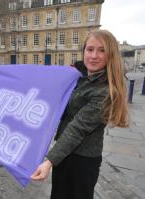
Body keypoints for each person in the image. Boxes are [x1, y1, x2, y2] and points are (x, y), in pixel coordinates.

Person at [31, 29, 129, 199]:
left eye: (102, 50)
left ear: (111, 55)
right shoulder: (80, 78)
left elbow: (77, 129)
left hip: (81, 161)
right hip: (65, 155)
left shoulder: (104, 91)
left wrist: (49, 161)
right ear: (83, 51)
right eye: (90, 49)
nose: (94, 55)